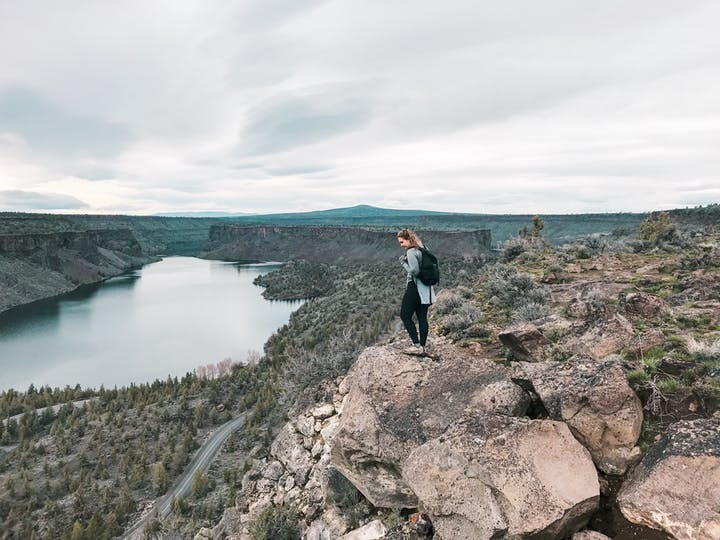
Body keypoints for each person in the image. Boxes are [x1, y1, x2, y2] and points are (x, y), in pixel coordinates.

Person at [397, 228, 435, 354]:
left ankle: (416, 345)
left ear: (408, 239)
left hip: (415, 287)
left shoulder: (411, 252)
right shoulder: (424, 248)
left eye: (402, 242)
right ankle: (423, 346)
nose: (401, 245)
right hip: (426, 288)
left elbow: (414, 271)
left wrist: (403, 263)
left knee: (405, 315)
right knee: (422, 318)